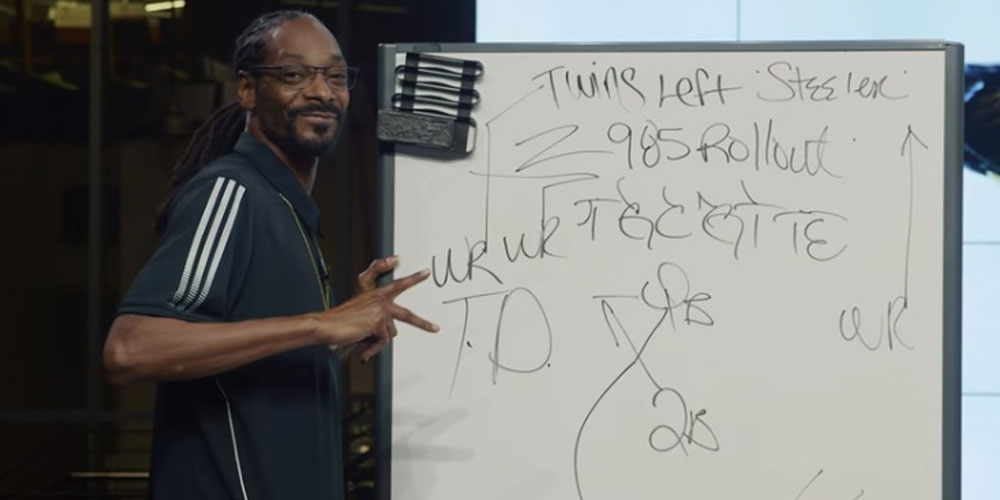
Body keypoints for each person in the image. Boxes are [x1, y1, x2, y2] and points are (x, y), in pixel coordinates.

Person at [102, 10, 437, 500]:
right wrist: (321, 324)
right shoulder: (232, 192)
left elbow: (261, 370)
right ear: (247, 89)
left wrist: (344, 331)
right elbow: (131, 349)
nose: (322, 91)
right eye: (294, 75)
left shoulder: (288, 211)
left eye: (335, 76)